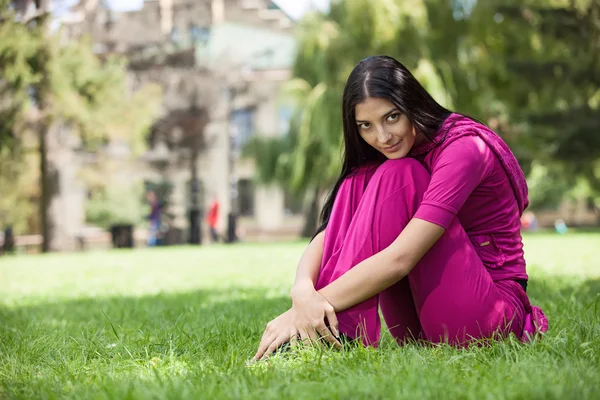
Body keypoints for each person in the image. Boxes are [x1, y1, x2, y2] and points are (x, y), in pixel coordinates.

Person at [253, 55, 548, 361]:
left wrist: (312, 307)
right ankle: (325, 329)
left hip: (489, 313)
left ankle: (327, 332)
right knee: (362, 178)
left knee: (400, 173)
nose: (382, 137)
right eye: (365, 125)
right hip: (420, 324)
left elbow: (400, 259)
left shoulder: (463, 149)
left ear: (412, 104)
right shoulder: (387, 156)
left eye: (392, 117)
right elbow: (332, 234)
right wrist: (302, 293)